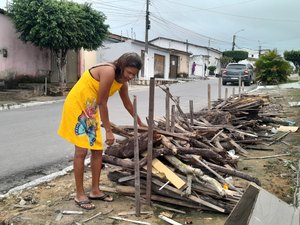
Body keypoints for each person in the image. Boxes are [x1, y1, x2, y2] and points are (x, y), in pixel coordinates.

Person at [58, 52, 147, 210]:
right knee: (81, 150)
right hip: (77, 106)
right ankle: (79, 194)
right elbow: (102, 102)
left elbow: (127, 104)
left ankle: (95, 191)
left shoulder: (121, 81)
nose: (131, 77)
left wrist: (139, 122)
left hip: (89, 109)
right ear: (121, 66)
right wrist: (108, 130)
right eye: (129, 72)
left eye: (134, 74)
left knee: (97, 150)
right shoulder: (108, 71)